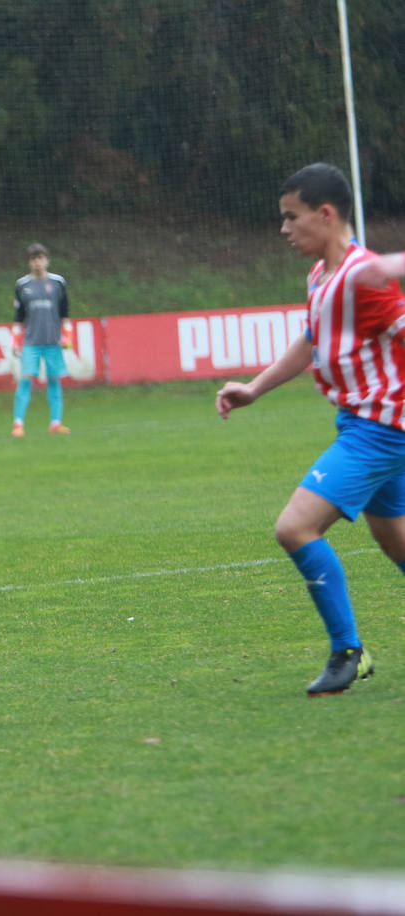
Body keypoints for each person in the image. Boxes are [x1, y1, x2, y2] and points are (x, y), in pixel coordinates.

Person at [216, 162, 405, 696]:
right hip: (360, 422)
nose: (284, 229)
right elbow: (309, 341)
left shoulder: (365, 276)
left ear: (325, 215)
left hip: (380, 430)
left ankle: (348, 651)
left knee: (294, 527)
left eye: (290, 217)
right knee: (394, 541)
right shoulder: (321, 275)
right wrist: (253, 388)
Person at [10, 243, 74, 437]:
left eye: (40, 258)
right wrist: (15, 340)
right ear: (29, 262)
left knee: (54, 381)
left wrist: (68, 336)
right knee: (25, 381)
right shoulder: (22, 285)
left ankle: (55, 423)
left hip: (53, 342)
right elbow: (18, 317)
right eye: (33, 259)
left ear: (47, 260)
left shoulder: (58, 283)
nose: (37, 262)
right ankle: (18, 424)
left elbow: (65, 313)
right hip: (32, 343)